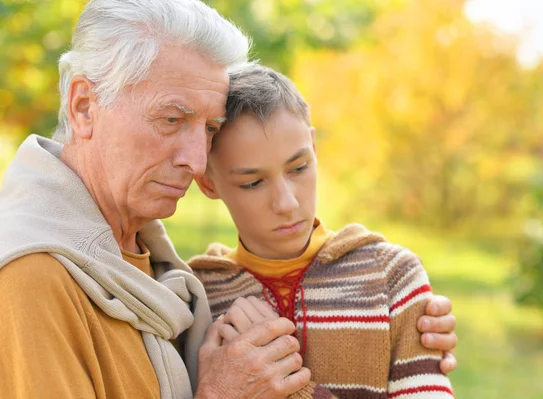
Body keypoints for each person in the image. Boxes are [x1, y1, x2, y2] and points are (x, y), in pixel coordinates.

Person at [0, 1, 455, 398]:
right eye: (172, 118)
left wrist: (400, 337)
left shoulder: (157, 267)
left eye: (210, 129)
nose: (197, 160)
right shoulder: (31, 278)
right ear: (84, 106)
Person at [189, 63, 455, 398]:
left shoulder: (392, 278)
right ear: (207, 182)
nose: (286, 202)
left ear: (313, 148)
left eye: (298, 168)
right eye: (253, 182)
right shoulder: (194, 297)